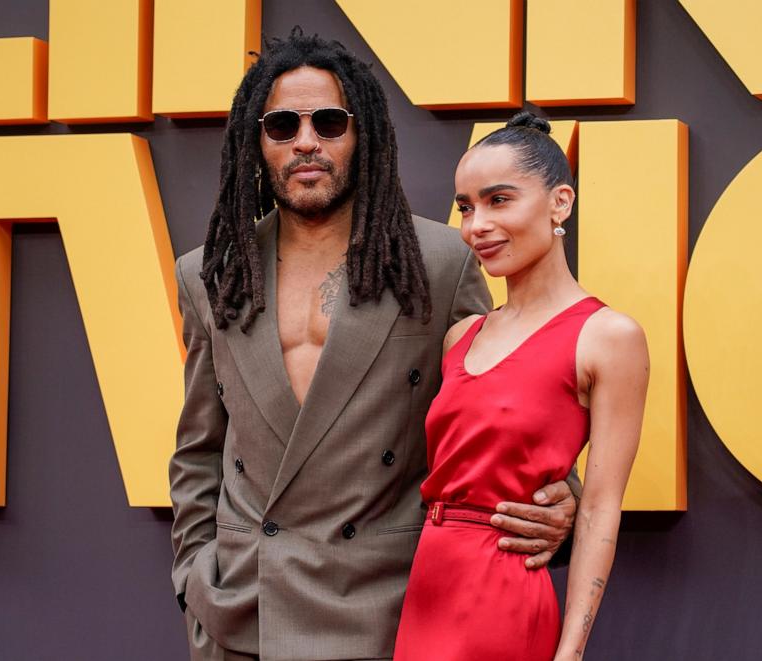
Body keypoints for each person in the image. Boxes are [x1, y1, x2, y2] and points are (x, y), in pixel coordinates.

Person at [168, 31, 581, 661]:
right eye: (282, 125)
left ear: (363, 137)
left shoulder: (441, 264)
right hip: (245, 609)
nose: (307, 141)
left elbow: (499, 407)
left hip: (384, 605)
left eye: (329, 122)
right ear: (257, 142)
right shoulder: (210, 274)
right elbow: (200, 447)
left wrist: (560, 500)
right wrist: (195, 576)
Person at [393, 113, 650, 661]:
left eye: (499, 200)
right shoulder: (462, 335)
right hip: (426, 590)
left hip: (504, 591)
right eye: (466, 207)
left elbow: (602, 508)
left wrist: (571, 652)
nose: (475, 225)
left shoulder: (608, 337)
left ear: (560, 202)